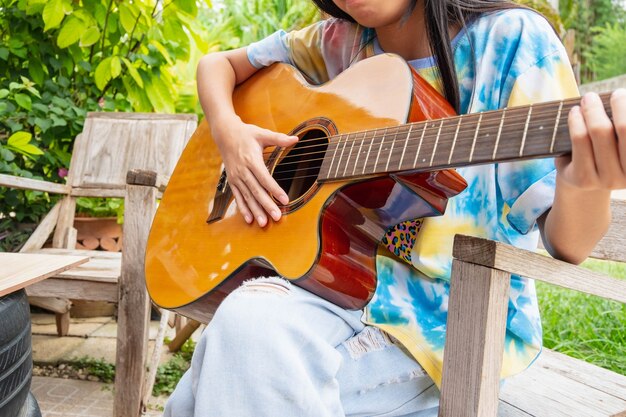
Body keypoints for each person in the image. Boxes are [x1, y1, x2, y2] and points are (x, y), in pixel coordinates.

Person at [164, 1, 626, 416]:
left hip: (447, 323)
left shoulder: (511, 43)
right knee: (231, 349)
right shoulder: (339, 42)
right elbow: (216, 65)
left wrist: (584, 182)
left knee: (232, 354)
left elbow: (570, 243)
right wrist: (229, 133)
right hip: (331, 296)